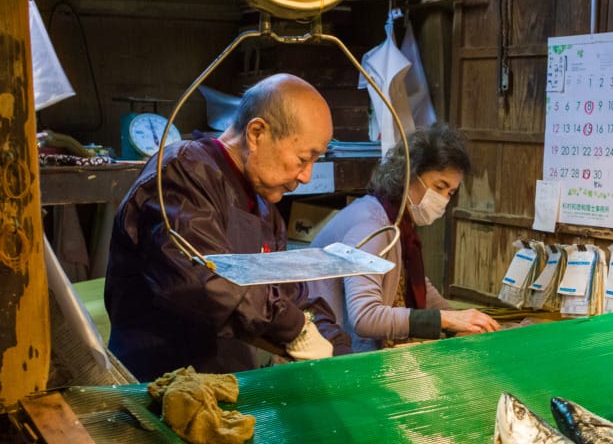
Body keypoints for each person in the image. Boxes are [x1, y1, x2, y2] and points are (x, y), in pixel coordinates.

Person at [104, 73, 351, 381]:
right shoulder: (182, 173)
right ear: (257, 133)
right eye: (303, 159)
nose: (306, 177)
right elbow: (202, 281)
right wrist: (295, 327)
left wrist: (336, 347)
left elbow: (290, 291)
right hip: (159, 388)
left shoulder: (264, 207)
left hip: (228, 385)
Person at [309, 124, 499, 353]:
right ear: (409, 174)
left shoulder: (397, 223)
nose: (443, 200)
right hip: (327, 353)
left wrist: (460, 321)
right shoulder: (372, 226)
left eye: (450, 192)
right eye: (439, 186)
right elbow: (365, 317)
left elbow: (418, 285)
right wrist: (445, 320)